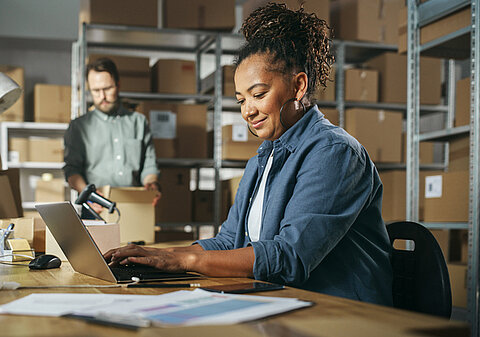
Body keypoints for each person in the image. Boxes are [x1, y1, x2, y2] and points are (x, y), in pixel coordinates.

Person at [104, 3, 393, 306]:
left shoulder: (335, 153)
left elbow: (289, 257)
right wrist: (159, 255)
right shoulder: (262, 159)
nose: (247, 110)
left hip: (343, 313)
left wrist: (184, 261)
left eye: (258, 94)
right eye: (241, 100)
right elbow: (230, 241)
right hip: (284, 301)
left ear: (299, 85)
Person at [64, 57, 161, 213]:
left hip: (135, 207)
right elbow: (72, 170)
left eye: (107, 88)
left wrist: (151, 184)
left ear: (118, 85)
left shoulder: (139, 122)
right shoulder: (78, 127)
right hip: (96, 209)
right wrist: (88, 194)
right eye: (96, 91)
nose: (102, 96)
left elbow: (149, 166)